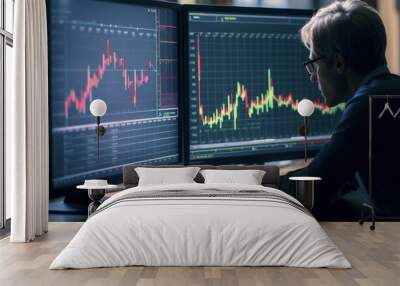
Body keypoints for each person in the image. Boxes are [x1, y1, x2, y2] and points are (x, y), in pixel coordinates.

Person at [280, 0, 400, 218]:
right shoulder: (389, 93)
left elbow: (313, 190)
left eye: (314, 64)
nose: (313, 76)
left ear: (338, 63)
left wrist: (255, 183)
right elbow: (343, 175)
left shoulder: (366, 107)